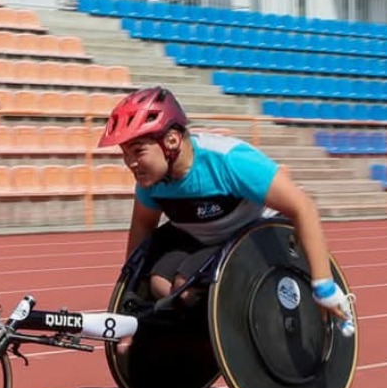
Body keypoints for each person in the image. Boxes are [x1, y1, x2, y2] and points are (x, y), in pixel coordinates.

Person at [98, 86, 353, 328]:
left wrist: (323, 285)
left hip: (251, 233)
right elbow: (143, 227)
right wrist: (129, 289)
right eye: (125, 154)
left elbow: (304, 207)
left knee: (184, 288)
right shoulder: (150, 180)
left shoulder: (230, 161)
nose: (130, 163)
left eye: (138, 151)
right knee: (158, 284)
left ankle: (250, 326)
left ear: (172, 140)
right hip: (203, 236)